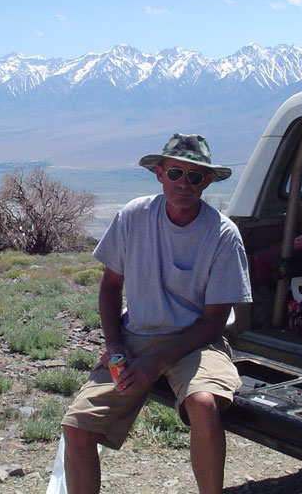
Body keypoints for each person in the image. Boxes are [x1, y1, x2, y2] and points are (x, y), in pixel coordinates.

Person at [61, 133, 252, 494]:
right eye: (176, 173)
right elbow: (110, 286)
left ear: (207, 182)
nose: (185, 184)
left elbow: (214, 321)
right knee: (77, 428)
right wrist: (116, 345)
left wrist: (156, 364)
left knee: (204, 406)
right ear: (160, 174)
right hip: (137, 336)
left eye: (195, 176)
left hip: (197, 342)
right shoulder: (134, 217)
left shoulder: (223, 234)